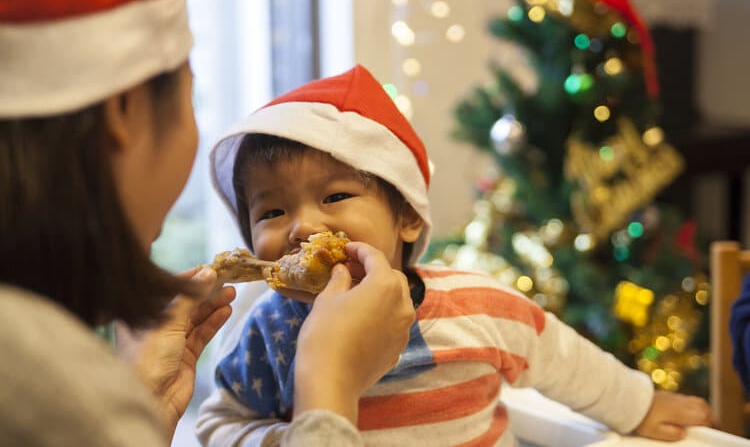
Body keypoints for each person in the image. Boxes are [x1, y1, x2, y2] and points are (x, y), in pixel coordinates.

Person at [0, 0, 415, 446]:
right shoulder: (46, 393)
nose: (302, 227)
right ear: (123, 108)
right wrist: (329, 384)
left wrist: (144, 408)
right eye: (189, 93)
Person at [196, 64, 713, 446]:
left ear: (408, 218)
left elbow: (562, 357)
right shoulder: (271, 333)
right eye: (271, 213)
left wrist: (638, 405)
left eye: (335, 197)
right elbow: (219, 424)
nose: (303, 226)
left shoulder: (476, 304)